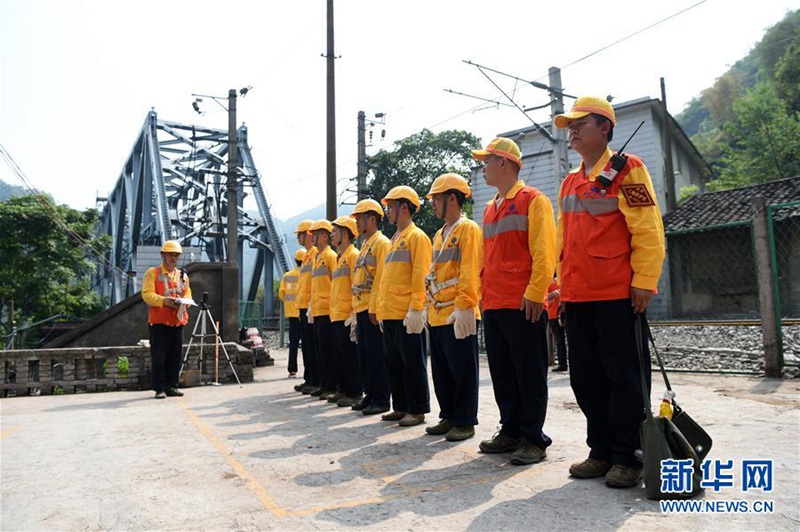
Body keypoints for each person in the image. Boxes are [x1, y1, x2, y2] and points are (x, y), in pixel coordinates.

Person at [554, 96, 665, 488]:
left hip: (618, 295)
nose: (573, 131)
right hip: (579, 297)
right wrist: (560, 288)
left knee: (626, 379)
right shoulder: (570, 181)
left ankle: (628, 457)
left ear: (605, 127)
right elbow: (563, 240)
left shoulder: (628, 169)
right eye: (570, 125)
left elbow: (648, 229)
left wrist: (643, 281)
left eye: (580, 123)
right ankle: (600, 451)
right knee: (586, 378)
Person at [472, 137, 556, 465]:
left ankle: (533, 438)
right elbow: (487, 260)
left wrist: (536, 293)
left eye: (487, 161)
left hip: (523, 304)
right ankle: (510, 429)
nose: (483, 168)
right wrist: (482, 298)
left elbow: (544, 251)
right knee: (503, 372)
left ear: (504, 163)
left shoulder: (533, 200)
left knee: (529, 373)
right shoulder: (491, 208)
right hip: (495, 303)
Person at [424, 173, 483, 442]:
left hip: (458, 313)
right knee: (443, 371)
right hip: (438, 313)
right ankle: (448, 415)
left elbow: (471, 270)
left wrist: (464, 306)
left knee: (463, 370)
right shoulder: (439, 234)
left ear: (451, 199)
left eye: (436, 199)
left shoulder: (468, 229)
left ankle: (465, 420)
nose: (433, 204)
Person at [377, 186, 432, 427]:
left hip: (406, 312)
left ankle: (417, 409)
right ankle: (400, 406)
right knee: (394, 364)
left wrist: (417, 308)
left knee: (412, 364)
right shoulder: (394, 240)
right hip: (390, 312)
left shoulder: (417, 237)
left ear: (404, 207)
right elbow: (386, 278)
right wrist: (381, 310)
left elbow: (421, 274)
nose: (387, 211)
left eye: (391, 206)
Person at [350, 199, 392, 416]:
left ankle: (381, 398)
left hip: (372, 308)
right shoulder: (365, 245)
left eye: (359, 218)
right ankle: (370, 394)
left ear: (372, 218)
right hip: (361, 307)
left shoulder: (381, 243)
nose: (356, 222)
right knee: (365, 355)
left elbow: (380, 279)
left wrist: (375, 308)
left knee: (377, 355)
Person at [141, 240, 192, 399]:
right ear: (163, 255)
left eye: (176, 255)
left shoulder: (183, 276)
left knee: (175, 355)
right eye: (170, 254)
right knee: (159, 356)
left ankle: (172, 385)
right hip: (159, 322)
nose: (173, 258)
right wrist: (164, 301)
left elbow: (187, 293)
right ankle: (160, 388)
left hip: (177, 320)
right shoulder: (153, 273)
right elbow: (147, 294)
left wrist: (186, 302)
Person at [329, 216, 362, 407]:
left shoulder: (352, 255)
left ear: (345, 233)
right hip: (336, 312)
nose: (332, 235)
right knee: (339, 355)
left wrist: (353, 313)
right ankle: (343, 390)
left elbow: (354, 285)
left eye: (335, 231)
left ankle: (354, 392)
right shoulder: (339, 258)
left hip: (346, 314)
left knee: (350, 356)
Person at [308, 219, 338, 400]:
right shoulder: (317, 258)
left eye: (316, 234)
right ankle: (325, 384)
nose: (313, 237)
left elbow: (336, 283)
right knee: (320, 351)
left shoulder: (330, 256)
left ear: (325, 236)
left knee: (329, 352)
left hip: (328, 310)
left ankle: (332, 385)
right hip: (318, 310)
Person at [294, 220, 320, 395]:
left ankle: (316, 380)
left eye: (300, 234)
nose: (298, 237)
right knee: (308, 347)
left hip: (313, 307)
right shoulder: (307, 256)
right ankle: (309, 378)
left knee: (314, 347)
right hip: (305, 307)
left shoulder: (316, 254)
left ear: (307, 234)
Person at [279, 249, 306, 378]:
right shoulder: (307, 274)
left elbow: (281, 294)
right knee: (307, 343)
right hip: (305, 313)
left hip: (292, 314)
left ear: (295, 260)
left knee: (293, 343)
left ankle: (292, 369)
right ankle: (309, 369)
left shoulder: (287, 276)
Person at [545, 276, 567, 372]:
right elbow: (544, 297)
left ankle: (564, 362)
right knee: (559, 340)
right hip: (553, 314)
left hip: (562, 312)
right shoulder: (547, 281)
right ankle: (562, 363)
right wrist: (553, 294)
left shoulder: (559, 279)